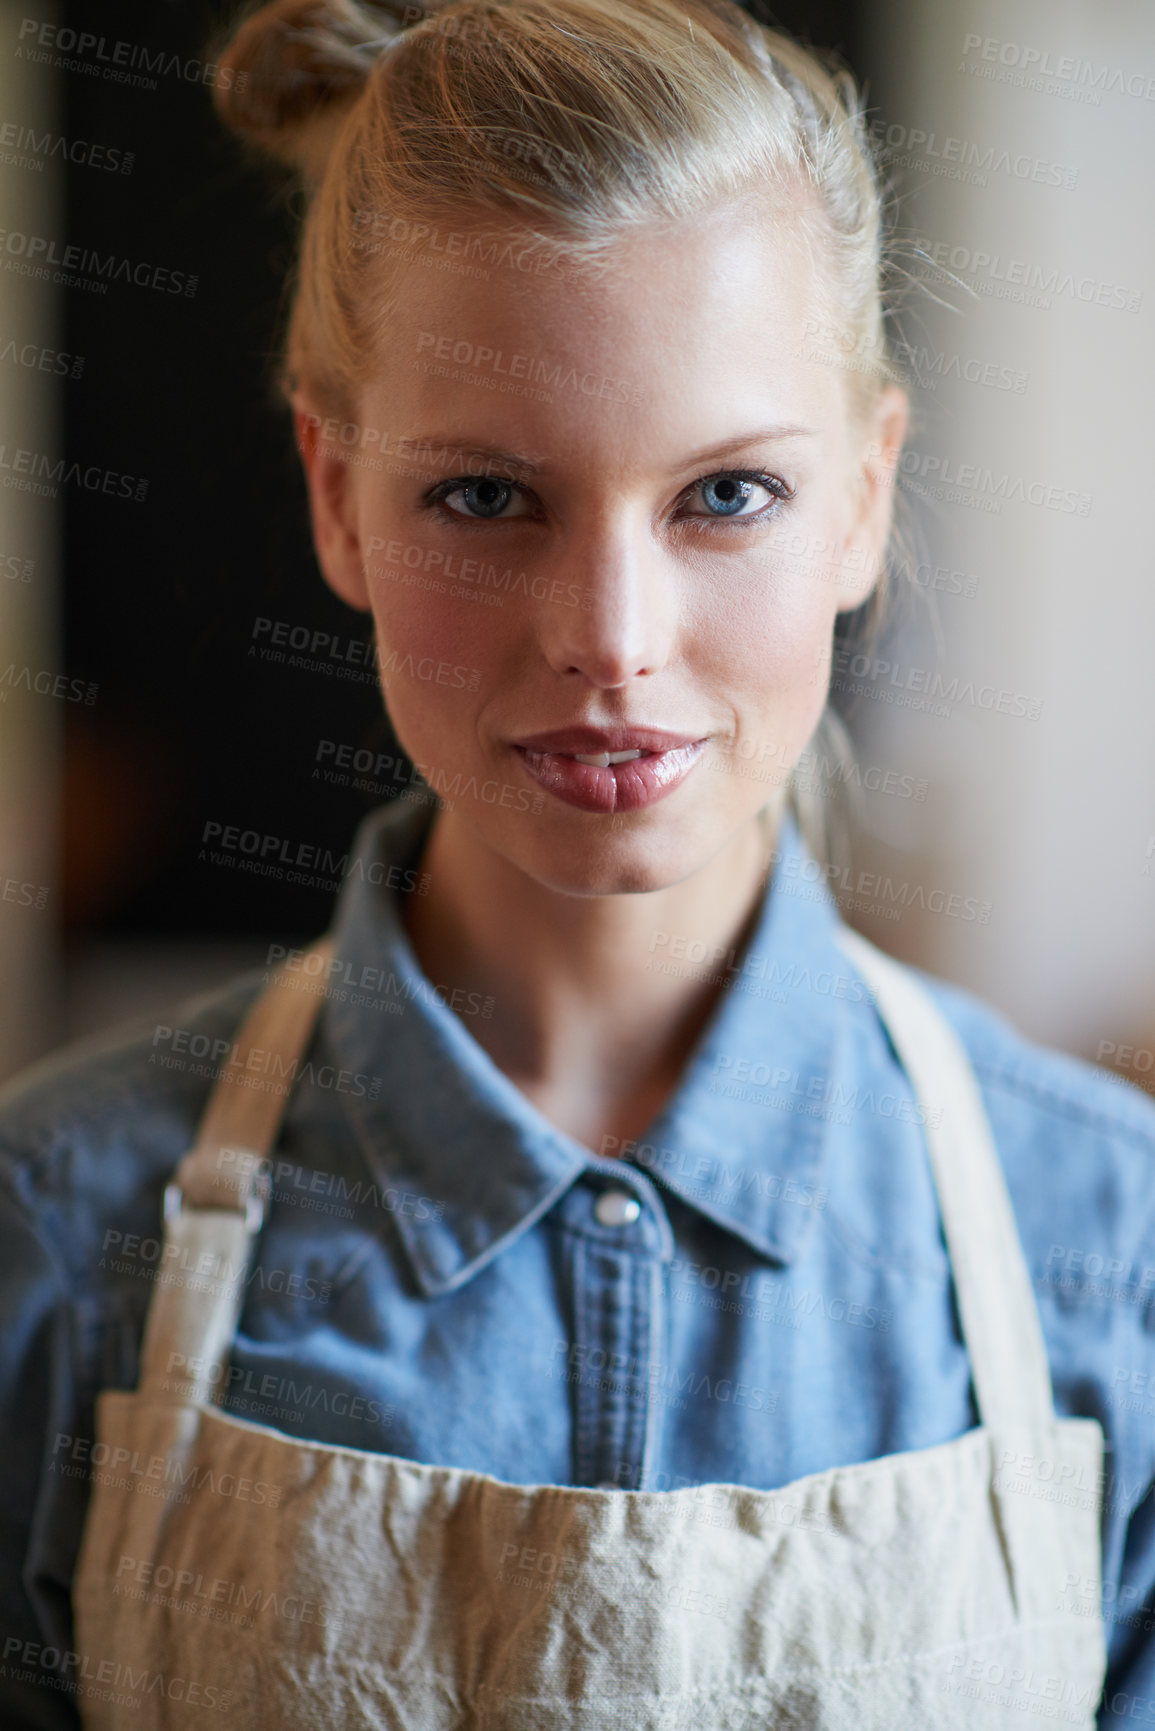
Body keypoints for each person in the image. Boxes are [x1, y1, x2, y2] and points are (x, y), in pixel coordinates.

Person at [1, 0, 1153, 1725]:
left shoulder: (1116, 1241)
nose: (610, 639)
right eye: (484, 499)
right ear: (337, 497)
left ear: (861, 496)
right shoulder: (53, 1230)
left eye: (728, 496)